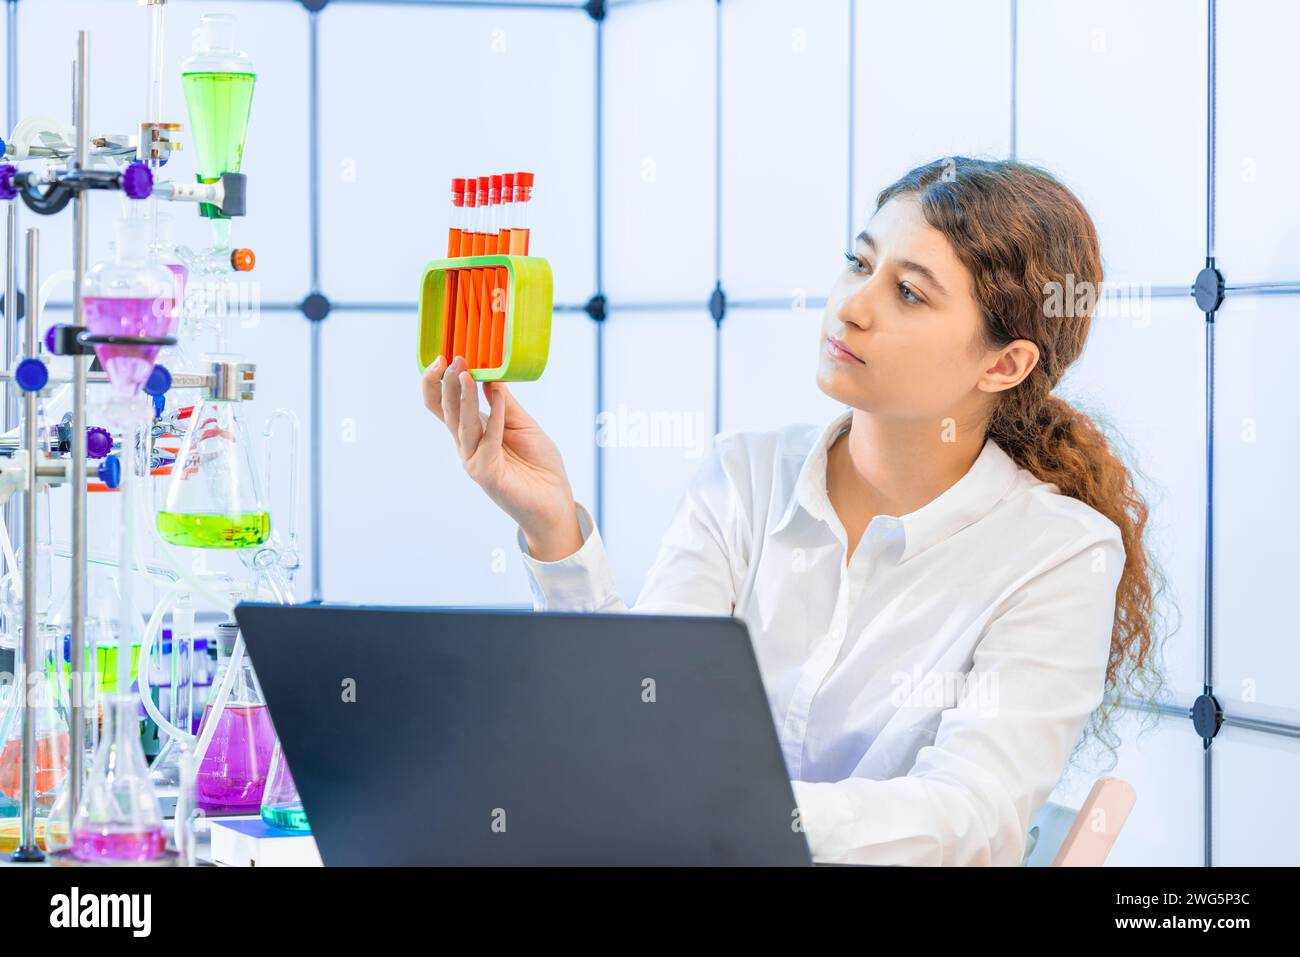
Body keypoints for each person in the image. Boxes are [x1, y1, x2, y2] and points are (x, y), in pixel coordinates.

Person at [422, 156, 1167, 866]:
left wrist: (725, 809)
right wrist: (553, 528)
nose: (851, 305)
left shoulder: (1061, 551)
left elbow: (967, 814)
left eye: (909, 292)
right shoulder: (744, 478)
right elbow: (641, 718)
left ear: (1003, 363)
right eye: (859, 262)